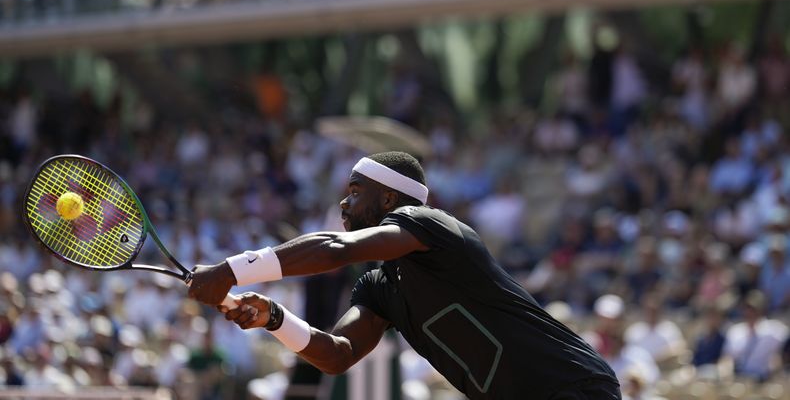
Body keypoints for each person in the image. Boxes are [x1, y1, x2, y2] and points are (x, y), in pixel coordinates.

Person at [188, 151, 621, 399]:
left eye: (355, 193)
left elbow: (336, 249)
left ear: (390, 198)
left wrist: (233, 269)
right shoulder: (378, 287)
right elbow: (337, 355)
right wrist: (274, 318)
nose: (344, 204)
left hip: (571, 385)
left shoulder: (432, 224)